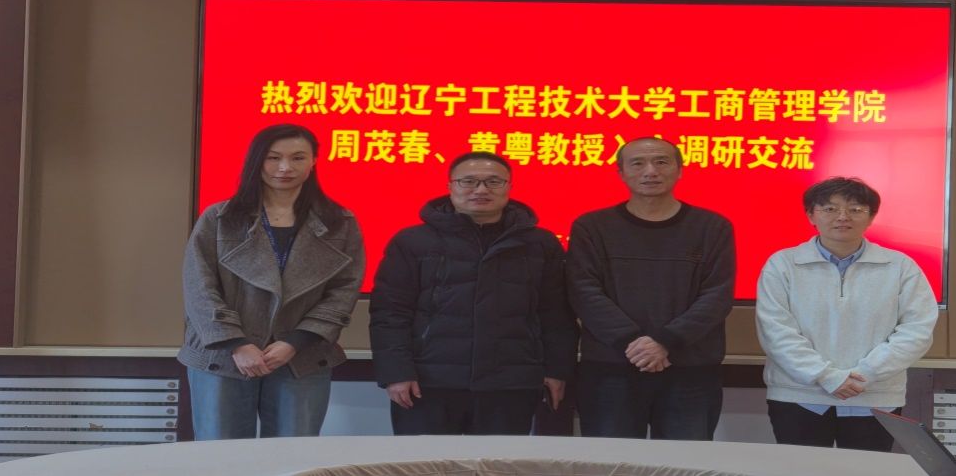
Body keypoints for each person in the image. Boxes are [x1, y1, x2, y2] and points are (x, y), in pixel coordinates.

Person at [369, 151, 577, 435]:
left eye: (493, 181)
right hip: (428, 382)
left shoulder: (539, 243)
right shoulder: (412, 242)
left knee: (497, 460)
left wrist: (557, 370)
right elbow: (390, 313)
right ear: (450, 186)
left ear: (509, 187)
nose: (481, 190)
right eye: (468, 181)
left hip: (511, 383)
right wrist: (396, 372)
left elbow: (557, 315)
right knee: (427, 460)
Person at [179, 124, 365, 440]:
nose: (285, 167)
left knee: (293, 455)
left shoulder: (339, 222)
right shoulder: (220, 218)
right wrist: (236, 343)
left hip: (302, 355)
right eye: (273, 157)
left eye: (297, 158)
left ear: (314, 161)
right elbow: (198, 286)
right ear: (257, 161)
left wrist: (295, 341)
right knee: (220, 455)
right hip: (223, 356)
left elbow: (344, 290)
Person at [566, 136, 736, 440]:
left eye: (661, 162)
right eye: (638, 163)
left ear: (679, 170)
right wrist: (634, 343)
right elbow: (584, 291)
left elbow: (717, 295)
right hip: (611, 369)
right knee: (610, 462)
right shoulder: (592, 227)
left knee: (683, 462)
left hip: (690, 370)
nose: (650, 171)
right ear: (621, 172)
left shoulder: (712, 227)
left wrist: (665, 341)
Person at [756, 177, 938, 451]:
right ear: (811, 215)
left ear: (871, 216)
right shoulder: (783, 264)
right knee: (801, 469)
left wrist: (866, 374)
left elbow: (917, 330)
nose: (843, 217)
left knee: (867, 469)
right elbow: (775, 331)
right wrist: (826, 376)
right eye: (830, 209)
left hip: (874, 396)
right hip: (799, 396)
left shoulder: (900, 266)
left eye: (855, 209)